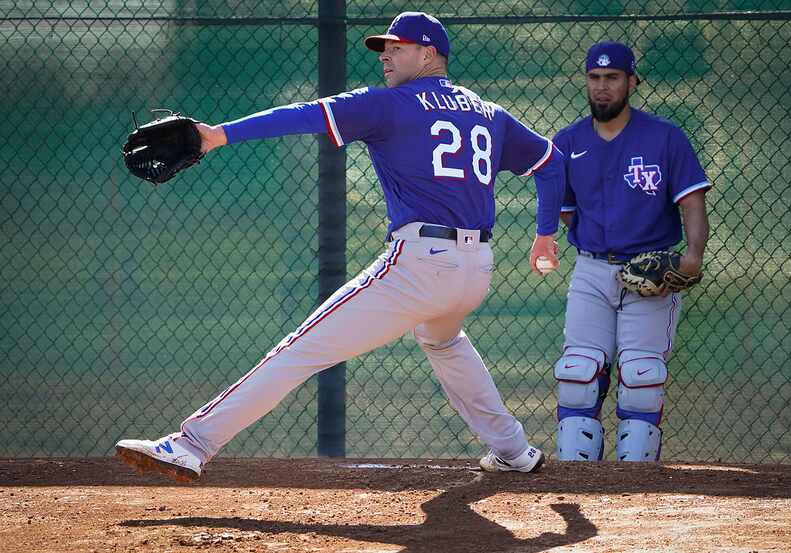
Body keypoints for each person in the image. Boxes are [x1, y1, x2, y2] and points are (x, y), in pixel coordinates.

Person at [115, 11, 565, 482]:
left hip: (420, 265)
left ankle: (191, 444)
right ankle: (513, 449)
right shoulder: (489, 112)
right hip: (476, 269)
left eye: (398, 47)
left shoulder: (388, 105)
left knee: (301, 349)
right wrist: (544, 234)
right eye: (383, 48)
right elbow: (550, 163)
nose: (386, 56)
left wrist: (220, 134)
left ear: (429, 53)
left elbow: (303, 114)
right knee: (444, 340)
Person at [551, 41, 711, 462]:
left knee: (642, 379)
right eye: (594, 78)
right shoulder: (568, 142)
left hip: (651, 273)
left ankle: (636, 492)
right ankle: (578, 479)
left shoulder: (665, 138)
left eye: (612, 78)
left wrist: (692, 255)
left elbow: (692, 201)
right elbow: (566, 211)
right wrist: (600, 244)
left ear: (632, 81)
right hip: (590, 270)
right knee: (577, 374)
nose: (602, 87)